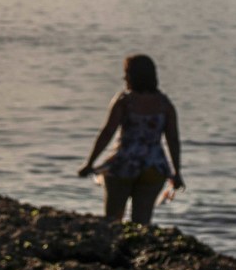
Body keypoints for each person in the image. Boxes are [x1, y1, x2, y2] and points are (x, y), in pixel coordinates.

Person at [77, 53, 185, 224]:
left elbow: (107, 133)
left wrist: (90, 162)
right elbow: (173, 139)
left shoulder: (125, 101)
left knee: (113, 218)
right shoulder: (165, 104)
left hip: (124, 164)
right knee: (142, 221)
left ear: (132, 76)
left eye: (126, 73)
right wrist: (177, 172)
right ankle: (138, 247)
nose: (124, 77)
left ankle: (114, 247)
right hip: (154, 166)